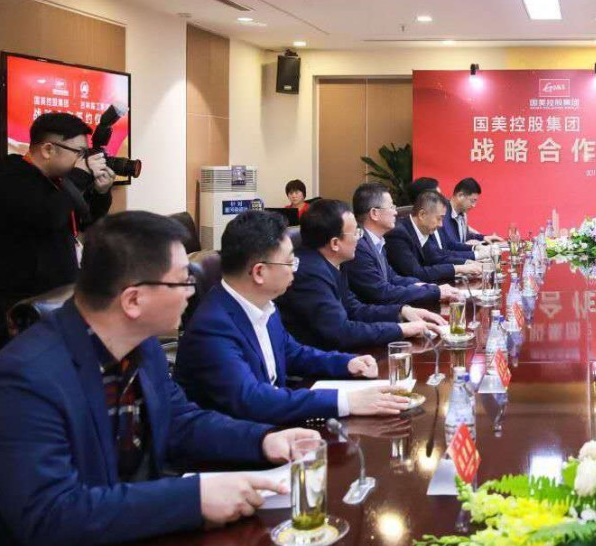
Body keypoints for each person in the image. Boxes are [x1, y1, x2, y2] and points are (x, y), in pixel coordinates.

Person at [0, 212, 318, 546]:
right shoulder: (22, 381)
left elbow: (179, 421)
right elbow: (51, 517)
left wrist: (263, 440)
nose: (191, 291)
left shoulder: (141, 345)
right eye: (182, 281)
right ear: (133, 299)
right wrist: (193, 498)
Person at [176, 210, 415, 425]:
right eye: (290, 262)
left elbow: (291, 352)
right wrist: (345, 401)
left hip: (277, 423)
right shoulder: (213, 326)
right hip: (241, 442)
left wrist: (346, 363)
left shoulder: (263, 303)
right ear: (259, 272)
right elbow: (252, 399)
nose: (295, 269)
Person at [0, 112, 115, 355]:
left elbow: (86, 221)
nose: (83, 160)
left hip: (55, 301)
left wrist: (101, 193)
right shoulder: (11, 180)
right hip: (19, 310)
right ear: (48, 149)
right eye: (79, 153)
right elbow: (48, 217)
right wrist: (80, 176)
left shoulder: (55, 183)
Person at [277, 199, 445, 351]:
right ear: (335, 243)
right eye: (356, 233)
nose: (359, 239)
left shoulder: (334, 263)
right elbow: (341, 332)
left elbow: (355, 309)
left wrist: (402, 311)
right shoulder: (310, 274)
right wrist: (401, 329)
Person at [346, 182, 464, 306]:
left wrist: (428, 287)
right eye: (391, 207)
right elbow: (382, 293)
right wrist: (433, 291)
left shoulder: (376, 242)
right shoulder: (359, 247)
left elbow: (392, 278)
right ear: (374, 213)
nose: (395, 212)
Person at [386, 190, 483, 284]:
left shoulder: (421, 229)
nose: (441, 225)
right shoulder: (398, 234)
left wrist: (467, 263)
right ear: (422, 215)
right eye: (439, 218)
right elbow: (416, 273)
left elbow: (436, 257)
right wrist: (457, 269)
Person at [440, 177, 504, 255]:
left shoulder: (462, 215)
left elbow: (465, 236)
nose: (474, 205)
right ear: (460, 195)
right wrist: (475, 252)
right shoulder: (442, 215)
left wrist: (483, 238)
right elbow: (450, 246)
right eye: (472, 201)